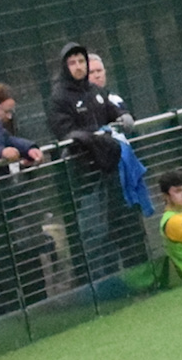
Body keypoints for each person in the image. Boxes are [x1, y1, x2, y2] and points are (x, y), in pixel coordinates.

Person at [50, 41, 136, 271]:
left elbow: (112, 111)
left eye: (81, 61)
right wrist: (92, 138)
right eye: (72, 62)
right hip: (85, 175)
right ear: (64, 66)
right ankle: (101, 284)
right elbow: (64, 132)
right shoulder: (59, 97)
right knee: (95, 231)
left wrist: (123, 115)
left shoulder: (95, 91)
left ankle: (127, 276)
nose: (78, 67)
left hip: (110, 168)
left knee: (119, 223)